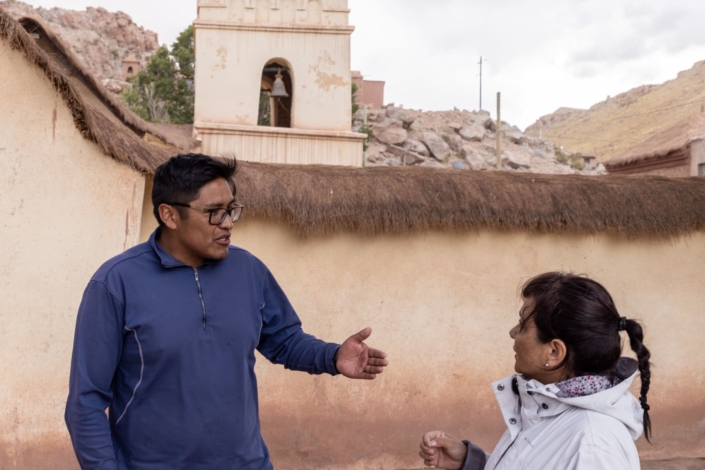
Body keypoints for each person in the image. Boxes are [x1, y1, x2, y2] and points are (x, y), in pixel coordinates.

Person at [65, 153, 389, 469]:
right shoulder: (115, 283)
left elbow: (285, 341)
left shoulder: (249, 270)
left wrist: (332, 357)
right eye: (214, 212)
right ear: (170, 215)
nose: (228, 223)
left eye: (232, 209)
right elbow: (86, 402)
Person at [419, 272, 651, 470]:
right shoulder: (548, 410)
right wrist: (472, 462)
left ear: (554, 352)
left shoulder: (591, 446)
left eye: (522, 325)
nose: (512, 332)